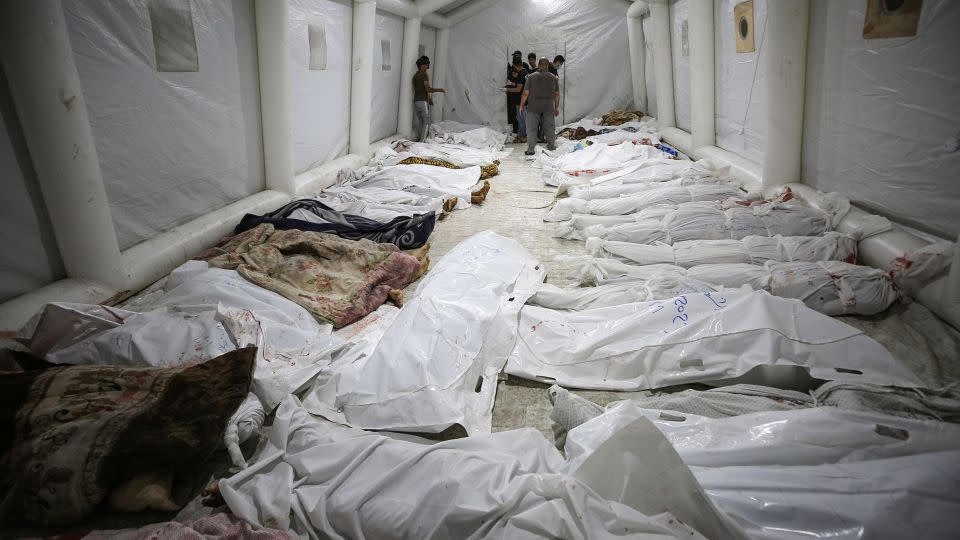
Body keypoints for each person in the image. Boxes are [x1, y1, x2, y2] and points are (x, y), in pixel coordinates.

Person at [519, 57, 559, 155]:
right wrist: (556, 107)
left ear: (539, 64)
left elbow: (526, 93)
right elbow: (557, 94)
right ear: (547, 65)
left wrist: (521, 105)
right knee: (549, 127)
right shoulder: (553, 77)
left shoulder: (531, 77)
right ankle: (551, 147)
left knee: (531, 128)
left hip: (533, 107)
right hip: (548, 107)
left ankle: (531, 149)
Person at [412, 56, 445, 142]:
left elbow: (420, 89)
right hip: (423, 102)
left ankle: (420, 138)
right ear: (422, 65)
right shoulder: (424, 75)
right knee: (426, 122)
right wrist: (439, 90)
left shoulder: (415, 75)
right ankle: (422, 141)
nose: (427, 67)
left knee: (421, 122)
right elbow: (428, 89)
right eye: (427, 65)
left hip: (416, 101)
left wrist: (429, 99)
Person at [503, 58, 527, 141]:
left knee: (521, 119)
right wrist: (512, 83)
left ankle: (523, 137)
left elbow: (518, 89)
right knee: (522, 119)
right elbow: (521, 84)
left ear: (514, 65)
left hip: (521, 100)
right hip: (525, 100)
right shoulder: (526, 72)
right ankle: (522, 135)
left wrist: (507, 89)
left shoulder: (521, 73)